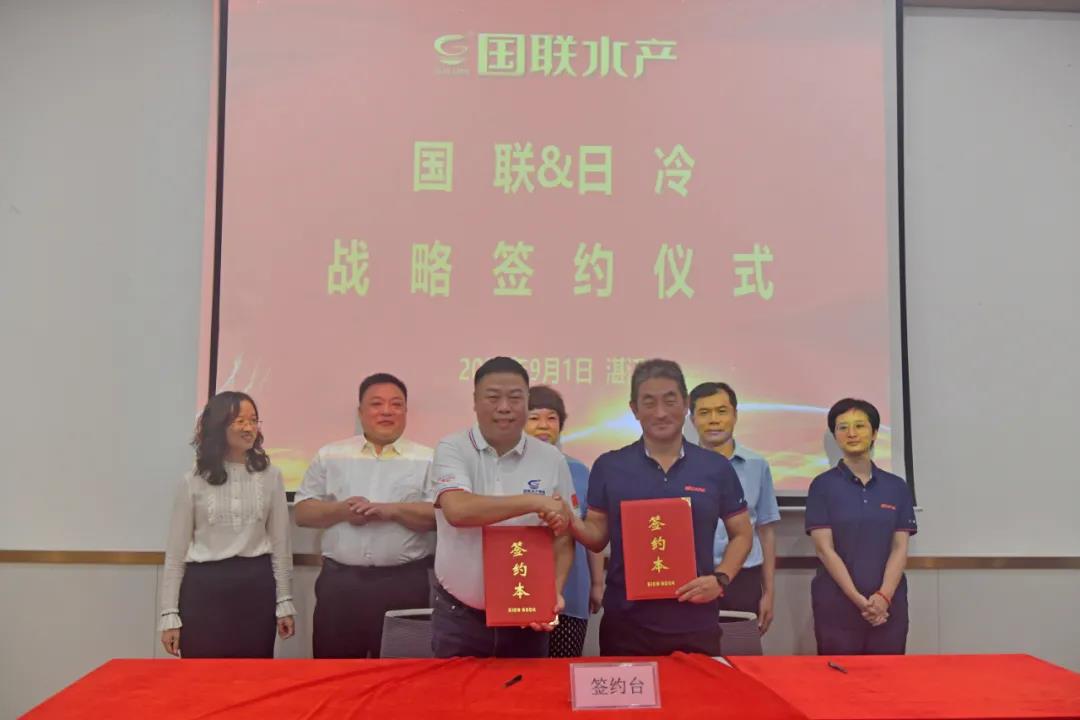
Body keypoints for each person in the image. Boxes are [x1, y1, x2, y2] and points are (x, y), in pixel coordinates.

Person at [569, 359, 754, 656]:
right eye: (649, 402)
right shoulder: (610, 466)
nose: (660, 412)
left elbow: (742, 533)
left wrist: (721, 580)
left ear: (686, 404)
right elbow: (597, 537)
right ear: (634, 409)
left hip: (695, 622)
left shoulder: (715, 467)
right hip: (626, 625)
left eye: (670, 401)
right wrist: (569, 521)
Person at [428, 357, 576, 658]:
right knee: (455, 690)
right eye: (493, 397)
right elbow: (457, 511)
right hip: (460, 618)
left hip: (527, 616)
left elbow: (563, 537)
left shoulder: (551, 459)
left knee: (527, 689)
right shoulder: (452, 448)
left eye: (515, 398)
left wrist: (552, 590)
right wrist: (534, 500)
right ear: (475, 401)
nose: (504, 407)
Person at [295, 373, 435, 658]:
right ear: (360, 412)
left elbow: (439, 516)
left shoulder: (429, 459)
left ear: (405, 411)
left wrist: (392, 511)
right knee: (336, 672)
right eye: (376, 404)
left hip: (404, 584)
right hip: (341, 586)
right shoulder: (331, 455)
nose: (386, 411)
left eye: (396, 404)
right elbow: (302, 512)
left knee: (402, 673)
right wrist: (341, 511)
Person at [159, 391, 295, 658]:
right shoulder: (193, 480)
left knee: (252, 674)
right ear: (218, 425)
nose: (249, 427)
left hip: (255, 587)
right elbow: (176, 554)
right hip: (204, 589)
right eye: (240, 420)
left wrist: (284, 601)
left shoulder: (271, 476)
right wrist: (169, 614)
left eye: (253, 420)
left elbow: (281, 545)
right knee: (203, 675)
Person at [805, 398, 917, 655]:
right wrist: (858, 599)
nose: (852, 433)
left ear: (874, 433)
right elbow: (824, 550)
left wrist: (883, 597)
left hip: (888, 606)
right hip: (837, 604)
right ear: (835, 435)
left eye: (860, 426)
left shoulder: (896, 487)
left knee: (887, 677)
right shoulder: (822, 486)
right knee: (838, 677)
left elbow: (900, 548)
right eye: (843, 427)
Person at [689, 381, 781, 634]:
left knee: (739, 650)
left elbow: (766, 531)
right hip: (694, 577)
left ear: (735, 415)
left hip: (744, 577)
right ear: (692, 419)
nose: (714, 420)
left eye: (722, 411)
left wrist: (769, 593)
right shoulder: (681, 466)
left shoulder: (756, 465)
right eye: (704, 413)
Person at [525, 385, 605, 658]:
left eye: (552, 418)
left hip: (572, 586)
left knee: (563, 668)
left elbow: (592, 529)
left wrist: (597, 583)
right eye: (534, 418)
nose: (543, 425)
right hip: (521, 582)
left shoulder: (579, 471)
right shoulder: (507, 468)